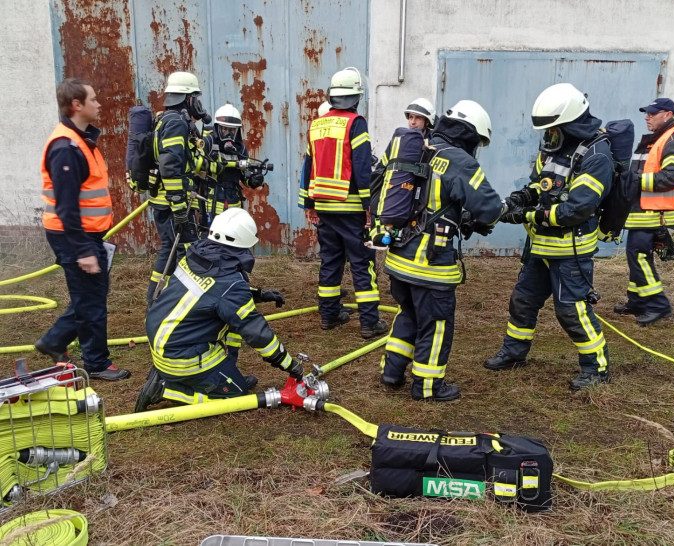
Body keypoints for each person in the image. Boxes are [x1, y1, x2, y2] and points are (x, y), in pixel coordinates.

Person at [487, 83, 612, 391]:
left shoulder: (597, 154)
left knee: (571, 310)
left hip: (571, 251)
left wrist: (529, 215)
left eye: (555, 128)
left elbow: (576, 209)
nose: (550, 134)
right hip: (540, 247)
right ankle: (514, 353)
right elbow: (539, 185)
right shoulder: (554, 144)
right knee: (523, 301)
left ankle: (596, 368)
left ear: (570, 122)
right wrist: (519, 199)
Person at [379, 100, 505, 402]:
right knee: (436, 325)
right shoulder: (460, 161)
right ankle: (428, 386)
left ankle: (391, 370)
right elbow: (488, 209)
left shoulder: (419, 147)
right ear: (468, 134)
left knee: (407, 313)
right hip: (429, 265)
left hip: (398, 258)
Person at [136, 208, 299, 410]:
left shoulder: (197, 255)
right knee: (237, 397)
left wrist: (258, 294)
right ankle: (165, 389)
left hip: (164, 341)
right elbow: (257, 332)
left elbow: (212, 294)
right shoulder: (229, 284)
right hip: (180, 357)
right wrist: (290, 365)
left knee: (232, 324)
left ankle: (225, 371)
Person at [35, 78, 131, 381]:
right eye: (93, 99)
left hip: (85, 235)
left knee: (92, 294)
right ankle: (96, 362)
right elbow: (66, 208)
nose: (99, 104)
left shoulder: (81, 141)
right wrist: (83, 250)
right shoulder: (66, 148)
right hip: (73, 236)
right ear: (77, 105)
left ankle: (55, 341)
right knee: (91, 299)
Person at [299, 67, 387, 339]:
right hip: (350, 208)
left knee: (330, 261)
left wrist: (309, 204)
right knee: (362, 263)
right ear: (356, 97)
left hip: (324, 206)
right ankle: (370, 323)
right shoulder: (355, 123)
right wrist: (368, 206)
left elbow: (308, 167)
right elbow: (362, 166)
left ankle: (329, 315)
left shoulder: (317, 124)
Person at [614, 98, 674, 326]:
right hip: (644, 212)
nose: (647, 117)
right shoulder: (657, 139)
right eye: (646, 113)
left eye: (652, 113)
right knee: (636, 255)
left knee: (638, 256)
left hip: (656, 212)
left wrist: (636, 180)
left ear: (667, 115)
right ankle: (637, 301)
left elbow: (672, 176)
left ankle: (658, 305)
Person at [146, 71, 212, 304]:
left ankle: (166, 300)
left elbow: (183, 161)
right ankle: (159, 301)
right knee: (180, 250)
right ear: (188, 99)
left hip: (169, 201)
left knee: (174, 251)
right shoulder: (175, 123)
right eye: (196, 98)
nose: (198, 104)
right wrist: (179, 206)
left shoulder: (167, 119)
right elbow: (170, 166)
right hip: (173, 203)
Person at [202, 103, 264, 221]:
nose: (229, 134)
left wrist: (252, 180)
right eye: (225, 129)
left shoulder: (240, 149)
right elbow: (195, 168)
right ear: (217, 128)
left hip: (234, 203)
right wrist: (210, 166)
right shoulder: (208, 143)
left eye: (232, 130)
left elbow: (244, 174)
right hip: (211, 202)